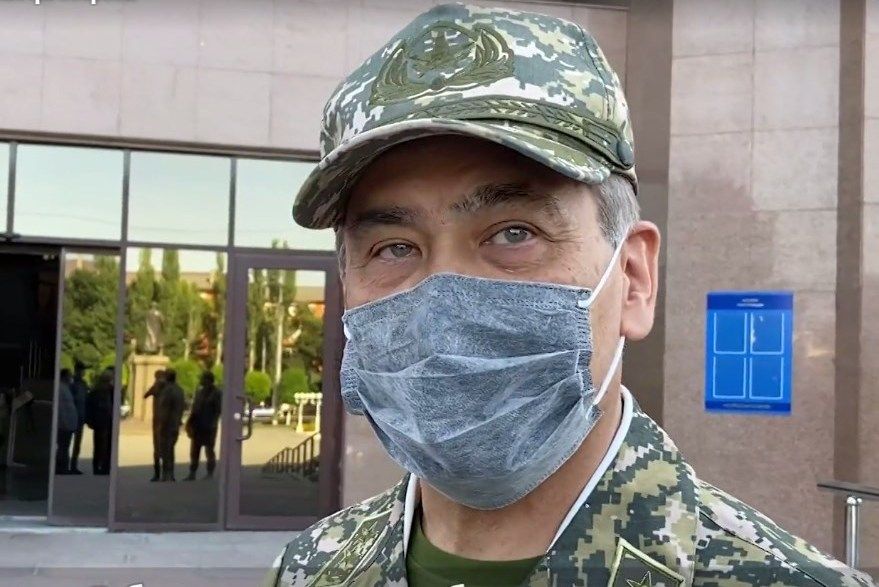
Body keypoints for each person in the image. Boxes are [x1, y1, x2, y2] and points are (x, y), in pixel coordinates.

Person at [267, 5, 874, 587]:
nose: (441, 304)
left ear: (633, 278)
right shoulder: (311, 568)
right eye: (394, 247)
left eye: (514, 234)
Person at [184, 371, 222, 481]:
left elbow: (218, 410)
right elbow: (195, 409)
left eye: (203, 378)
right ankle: (192, 473)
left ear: (209, 380)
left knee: (209, 450)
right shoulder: (199, 392)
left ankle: (210, 473)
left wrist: (213, 422)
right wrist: (189, 423)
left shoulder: (216, 393)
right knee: (194, 450)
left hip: (210, 425)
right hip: (198, 425)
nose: (201, 380)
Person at [157, 369, 185, 482]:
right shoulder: (180, 390)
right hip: (175, 423)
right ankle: (170, 473)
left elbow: (165, 408)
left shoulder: (167, 390)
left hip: (167, 424)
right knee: (170, 449)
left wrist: (162, 423)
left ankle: (166, 474)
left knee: (166, 450)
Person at [86, 367, 114, 476]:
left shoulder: (98, 390)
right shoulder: (99, 391)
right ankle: (102, 467)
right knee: (102, 445)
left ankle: (99, 467)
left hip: (103, 421)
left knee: (100, 445)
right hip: (102, 420)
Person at [143, 369, 167, 482]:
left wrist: (154, 387)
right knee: (166, 448)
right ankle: (166, 474)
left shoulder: (157, 387)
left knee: (157, 448)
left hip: (158, 421)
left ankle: (157, 474)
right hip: (166, 421)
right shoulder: (169, 388)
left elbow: (145, 395)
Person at [54, 369, 78, 475]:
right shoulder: (60, 388)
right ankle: (61, 467)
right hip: (63, 424)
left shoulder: (66, 388)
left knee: (65, 447)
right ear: (64, 377)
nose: (71, 378)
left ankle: (63, 467)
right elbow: (60, 407)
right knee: (62, 447)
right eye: (69, 376)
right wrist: (63, 422)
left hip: (69, 423)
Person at [68, 361, 89, 475]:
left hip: (81, 416)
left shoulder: (83, 384)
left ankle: (73, 465)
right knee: (66, 442)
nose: (83, 372)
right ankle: (64, 464)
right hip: (72, 415)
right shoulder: (72, 384)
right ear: (78, 371)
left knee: (77, 443)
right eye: (82, 370)